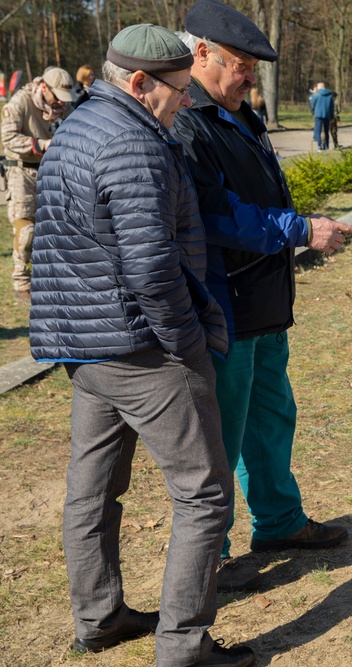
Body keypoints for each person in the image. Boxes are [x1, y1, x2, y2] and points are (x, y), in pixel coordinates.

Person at [30, 23, 254, 667]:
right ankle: (184, 647)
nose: (186, 101)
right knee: (205, 493)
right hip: (139, 348)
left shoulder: (78, 127)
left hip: (85, 348)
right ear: (137, 82)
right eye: (179, 89)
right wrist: (188, 344)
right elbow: (152, 265)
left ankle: (99, 618)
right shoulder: (133, 143)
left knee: (93, 490)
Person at [173, 0, 352, 590]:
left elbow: (266, 193)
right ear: (201, 53)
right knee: (221, 438)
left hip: (263, 304)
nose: (251, 76)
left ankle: (278, 521)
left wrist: (296, 223)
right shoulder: (186, 120)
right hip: (223, 307)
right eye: (241, 64)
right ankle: (214, 552)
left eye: (254, 66)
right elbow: (214, 215)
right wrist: (300, 230)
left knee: (272, 417)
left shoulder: (240, 113)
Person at [2, 66, 73, 305]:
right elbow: (7, 138)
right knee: (26, 230)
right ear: (44, 87)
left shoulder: (63, 106)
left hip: (50, 169)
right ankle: (22, 282)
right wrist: (41, 144)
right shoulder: (20, 102)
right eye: (56, 97)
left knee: (53, 227)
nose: (60, 103)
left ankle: (47, 278)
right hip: (20, 169)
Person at [309, 81, 334, 150]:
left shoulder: (316, 95)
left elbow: (312, 104)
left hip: (318, 115)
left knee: (318, 131)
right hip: (327, 115)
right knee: (326, 131)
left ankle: (319, 146)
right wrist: (332, 116)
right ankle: (326, 145)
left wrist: (313, 112)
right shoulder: (329, 96)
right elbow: (332, 107)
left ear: (318, 88)